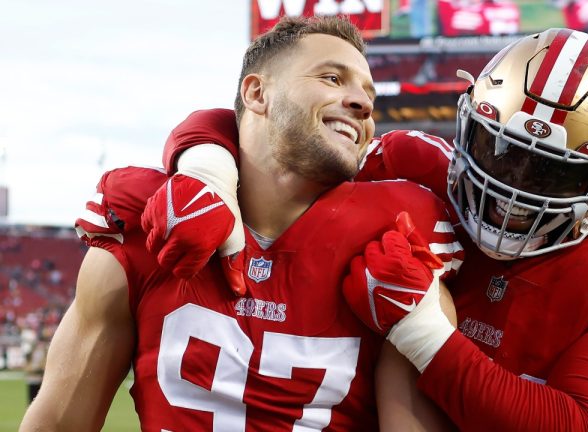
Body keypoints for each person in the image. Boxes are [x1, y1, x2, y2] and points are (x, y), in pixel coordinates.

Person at [86, 29, 588, 430]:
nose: (515, 189)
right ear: (469, 125)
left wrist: (423, 334)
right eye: (502, 151)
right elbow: (272, 135)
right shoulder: (412, 169)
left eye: (555, 172)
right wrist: (203, 170)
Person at [19, 16, 461, 431]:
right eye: (331, 78)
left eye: (369, 95)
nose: (363, 104)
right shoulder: (150, 229)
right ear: (256, 93)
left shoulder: (394, 252)